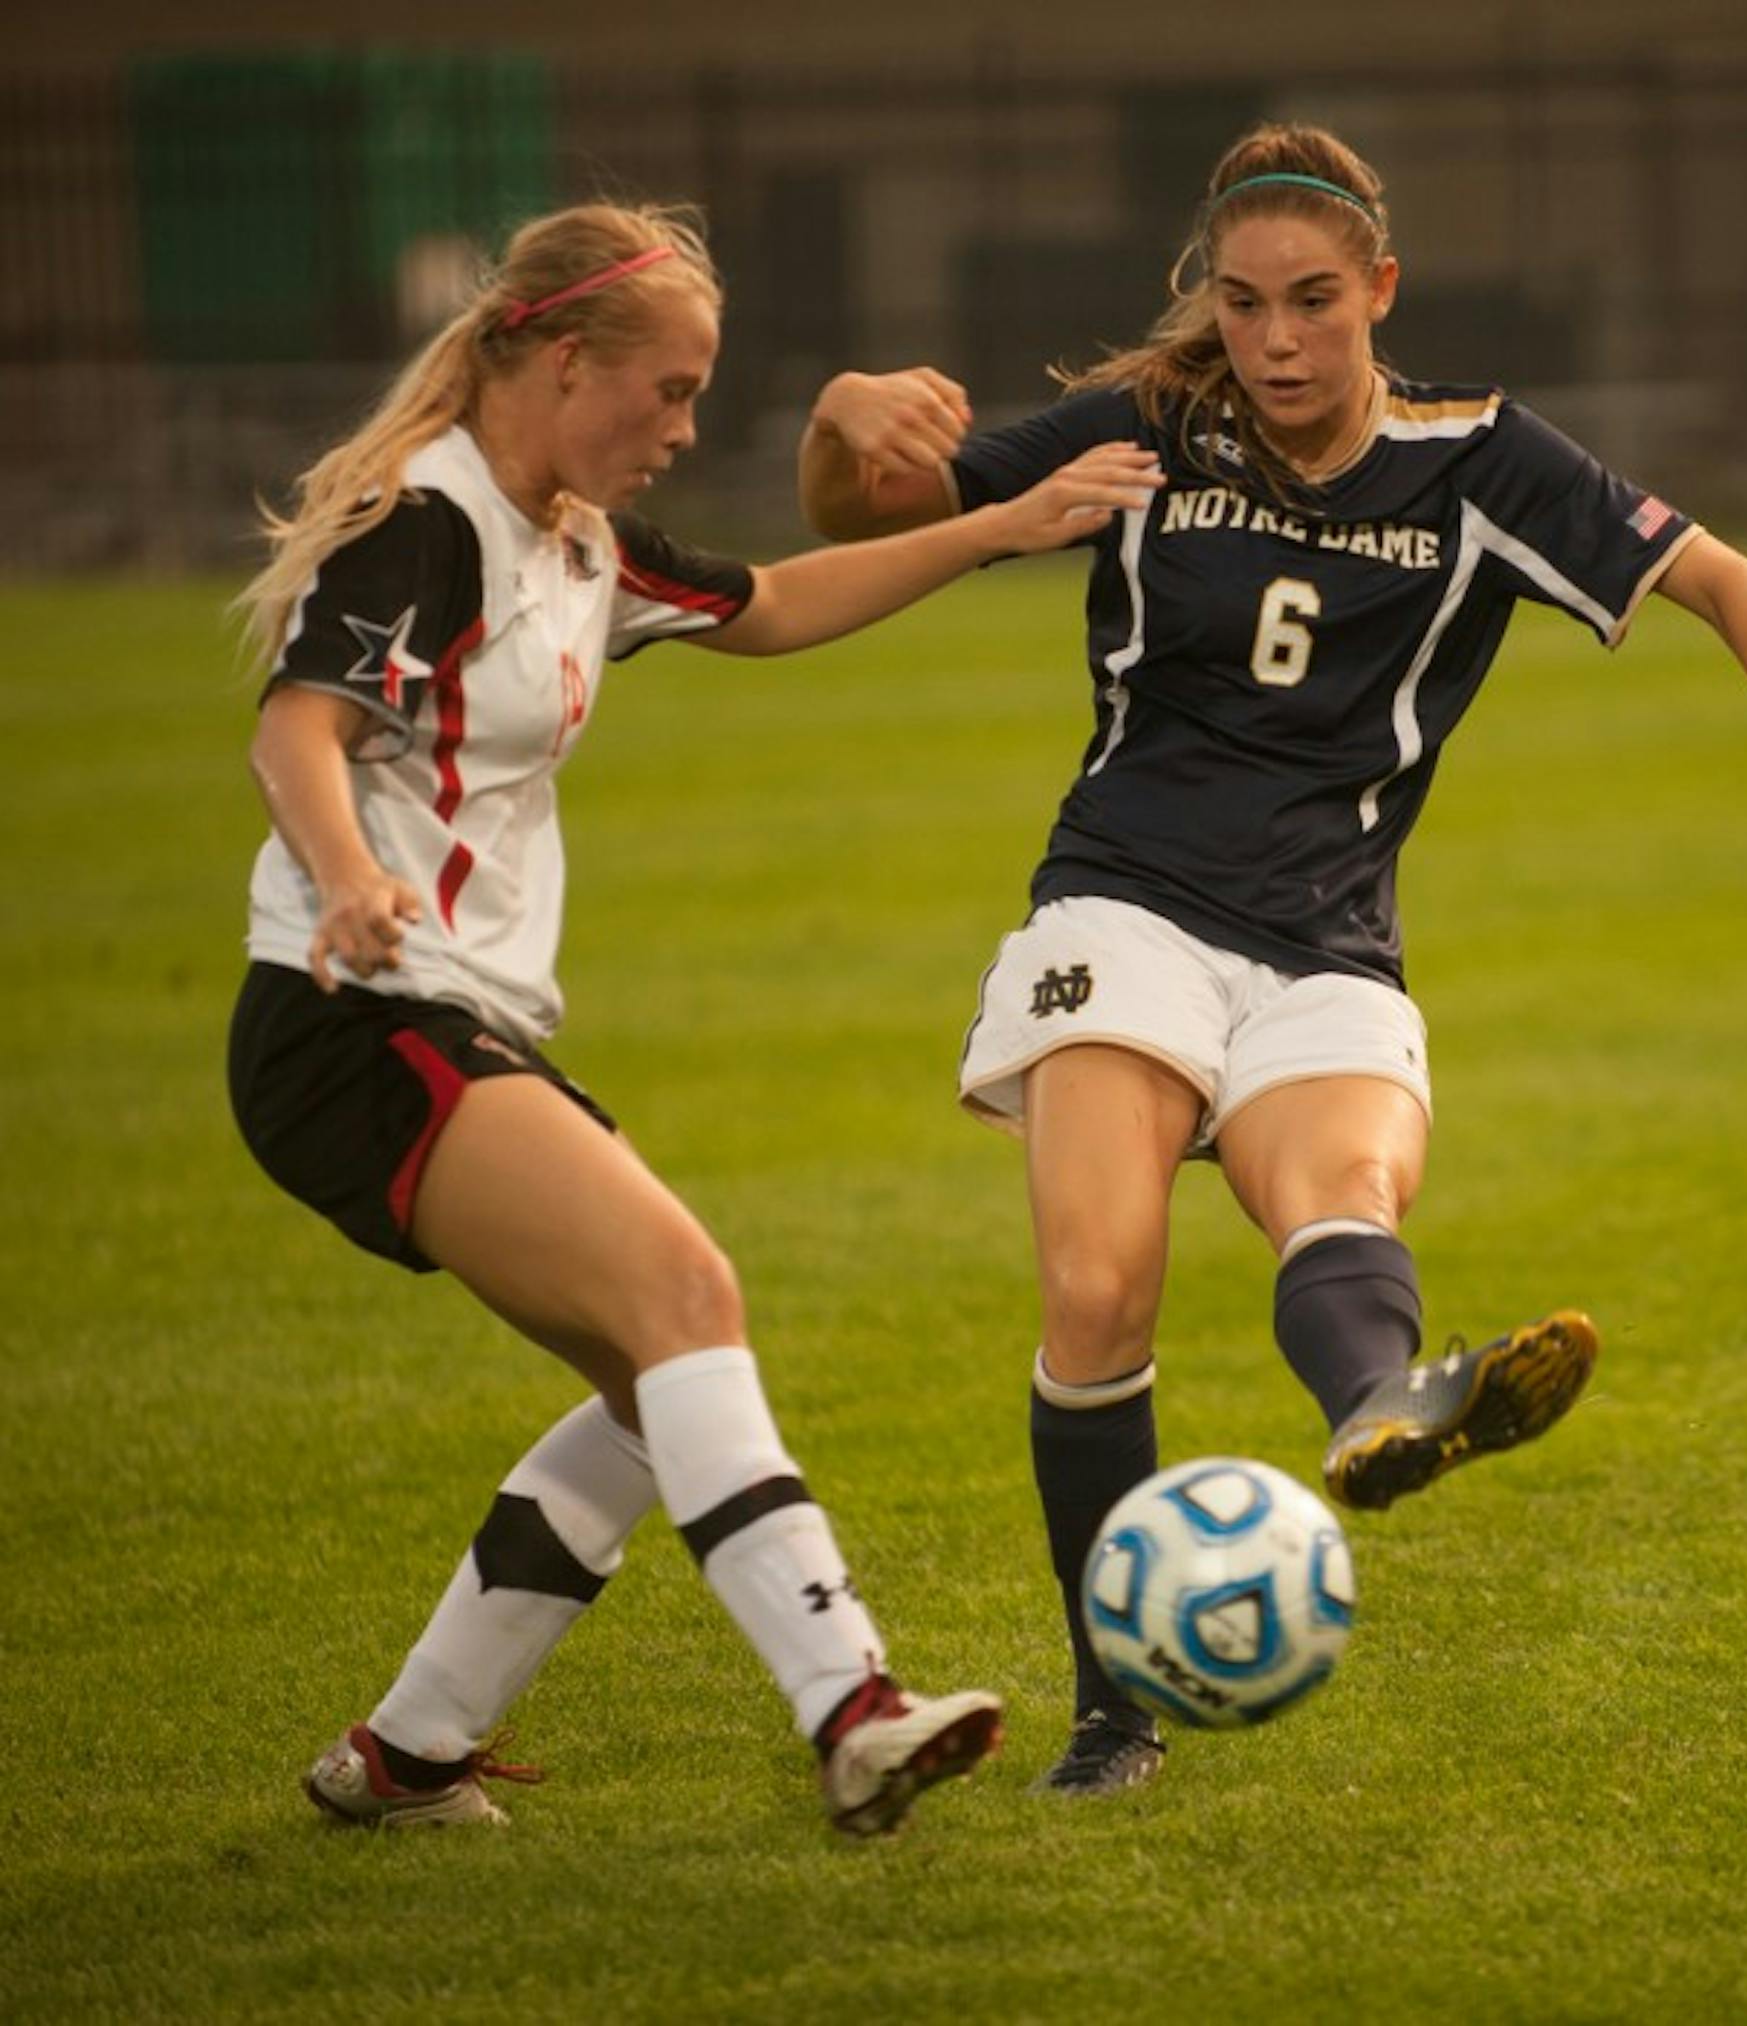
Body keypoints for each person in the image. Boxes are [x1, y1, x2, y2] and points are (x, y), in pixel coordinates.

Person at [798, 122, 1747, 1796]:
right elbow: (870, 501)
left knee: (1341, 1198)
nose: (1280, 341)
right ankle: (1115, 1708)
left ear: (1383, 288)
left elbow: (1727, 581)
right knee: (1098, 1284)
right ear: (1208, 307)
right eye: (1243, 306)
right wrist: (841, 413)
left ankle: (1385, 1408)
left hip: (1327, 945)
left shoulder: (1482, 461)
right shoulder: (1150, 427)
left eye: (1315, 301)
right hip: (1124, 903)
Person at [228, 200, 1161, 1835]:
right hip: (349, 1013)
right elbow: (296, 730)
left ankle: (409, 1753)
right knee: (689, 1296)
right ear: (564, 360)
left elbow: (775, 602)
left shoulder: (574, 535)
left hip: (451, 1020)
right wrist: (348, 875)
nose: (683, 426)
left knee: (656, 1387)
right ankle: (853, 1705)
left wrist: (995, 529)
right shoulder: (428, 523)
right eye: (666, 390)